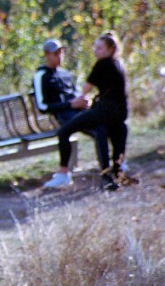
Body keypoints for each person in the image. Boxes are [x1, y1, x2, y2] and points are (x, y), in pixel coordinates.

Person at [43, 32, 131, 191]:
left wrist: (81, 100)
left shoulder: (102, 64)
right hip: (121, 111)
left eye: (99, 48)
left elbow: (86, 88)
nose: (95, 51)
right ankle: (117, 171)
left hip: (104, 111)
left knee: (64, 131)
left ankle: (98, 174)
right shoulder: (118, 63)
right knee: (113, 129)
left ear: (110, 49)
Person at [32, 38, 111, 178]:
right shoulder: (41, 75)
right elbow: (42, 106)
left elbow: (76, 94)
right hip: (62, 116)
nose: (59, 56)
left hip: (77, 112)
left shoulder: (65, 74)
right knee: (97, 129)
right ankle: (67, 173)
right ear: (46, 55)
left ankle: (110, 167)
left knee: (103, 127)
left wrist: (83, 101)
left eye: (60, 53)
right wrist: (70, 105)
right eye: (55, 53)